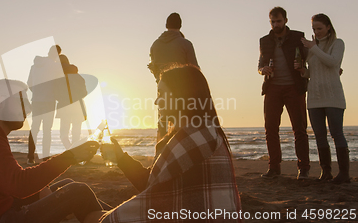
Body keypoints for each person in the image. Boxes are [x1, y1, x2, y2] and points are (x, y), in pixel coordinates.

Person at [0, 79, 106, 223]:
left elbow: (11, 184)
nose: (29, 108)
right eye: (22, 101)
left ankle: (115, 215)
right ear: (0, 102)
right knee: (78, 192)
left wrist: (41, 191)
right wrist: (70, 157)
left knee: (67, 186)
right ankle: (118, 217)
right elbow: (20, 185)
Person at [100, 64, 242, 223]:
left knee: (86, 203)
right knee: (83, 196)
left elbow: (150, 186)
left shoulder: (190, 139)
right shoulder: (203, 131)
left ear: (179, 96)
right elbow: (156, 184)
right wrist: (120, 157)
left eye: (161, 93)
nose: (156, 101)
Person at [294, 13, 349, 183]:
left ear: (328, 27)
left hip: (333, 96)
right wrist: (304, 71)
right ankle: (326, 172)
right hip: (314, 98)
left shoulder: (337, 43)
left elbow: (333, 63)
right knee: (319, 135)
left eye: (319, 28)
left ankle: (344, 174)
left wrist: (313, 47)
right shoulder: (313, 47)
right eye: (314, 29)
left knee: (336, 134)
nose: (316, 32)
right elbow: (315, 71)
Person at [257, 7, 310, 179]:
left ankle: (303, 168)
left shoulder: (298, 37)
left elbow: (310, 58)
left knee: (299, 129)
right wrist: (262, 70)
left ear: (286, 20)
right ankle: (274, 168)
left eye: (278, 21)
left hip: (294, 87)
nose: (276, 24)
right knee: (270, 129)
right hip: (272, 88)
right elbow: (259, 65)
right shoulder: (264, 41)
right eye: (273, 22)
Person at [148, 12, 200, 142]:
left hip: (162, 88)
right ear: (180, 25)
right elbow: (195, 69)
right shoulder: (185, 44)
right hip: (182, 89)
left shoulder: (155, 45)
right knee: (182, 122)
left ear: (166, 25)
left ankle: (160, 153)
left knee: (163, 121)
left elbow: (154, 67)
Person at [27, 45, 64, 163]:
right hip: (49, 100)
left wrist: (38, 92)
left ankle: (30, 157)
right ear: (57, 54)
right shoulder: (55, 66)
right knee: (47, 130)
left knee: (34, 129)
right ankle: (45, 157)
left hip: (36, 100)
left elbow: (29, 83)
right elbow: (60, 83)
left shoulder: (34, 66)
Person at [55, 54, 87, 149]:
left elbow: (55, 93)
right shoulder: (78, 77)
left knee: (63, 133)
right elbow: (84, 93)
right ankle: (75, 152)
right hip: (78, 106)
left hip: (65, 106)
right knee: (76, 132)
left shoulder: (58, 77)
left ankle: (70, 151)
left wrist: (62, 98)